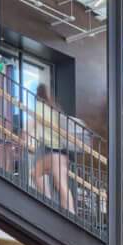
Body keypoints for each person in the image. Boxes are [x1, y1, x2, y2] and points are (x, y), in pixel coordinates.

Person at [30, 82, 77, 211]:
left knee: (35, 173)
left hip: (49, 149)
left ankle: (48, 201)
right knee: (61, 184)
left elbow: (32, 122)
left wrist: (24, 135)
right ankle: (71, 212)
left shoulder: (40, 106)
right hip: (62, 152)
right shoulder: (54, 109)